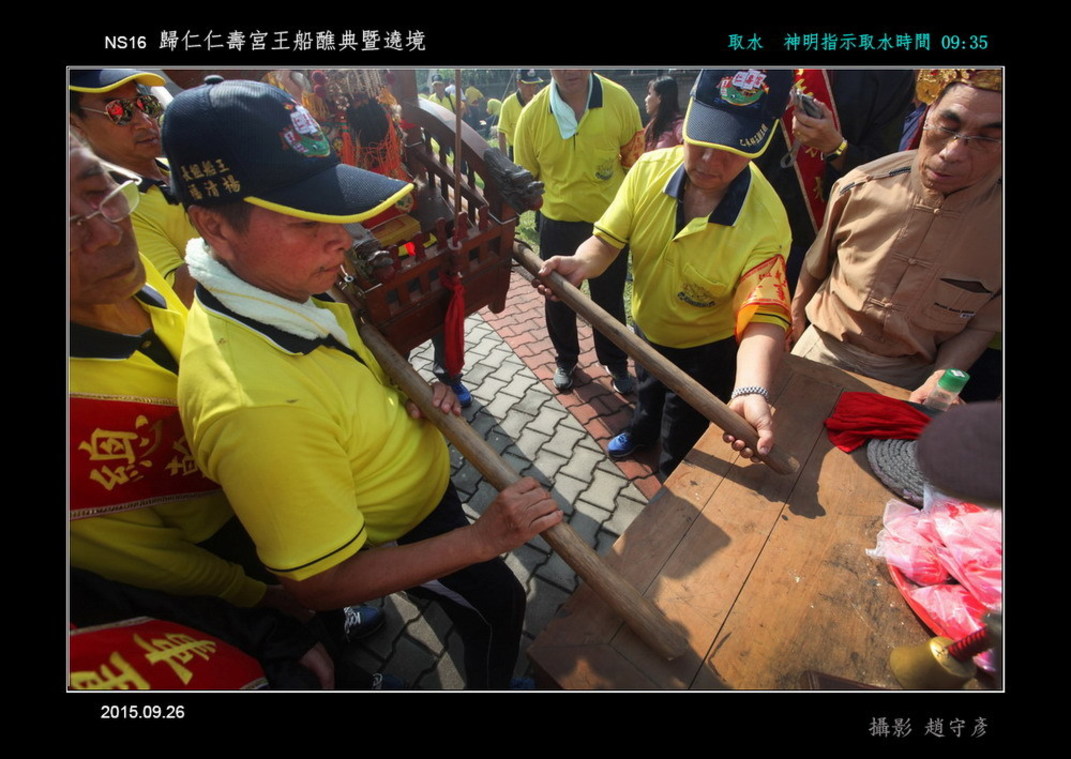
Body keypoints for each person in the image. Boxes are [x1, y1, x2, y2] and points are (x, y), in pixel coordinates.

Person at [166, 79, 562, 690]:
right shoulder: (257, 407)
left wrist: (400, 396)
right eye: (306, 220)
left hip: (416, 489)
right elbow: (320, 583)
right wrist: (484, 539)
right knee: (498, 602)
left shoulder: (282, 288)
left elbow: (347, 374)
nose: (344, 237)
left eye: (336, 209)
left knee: (495, 600)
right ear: (215, 227)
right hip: (395, 534)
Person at [67, 134, 383, 682]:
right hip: (220, 573)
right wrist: (255, 595)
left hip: (267, 498)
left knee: (325, 614)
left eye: (99, 192)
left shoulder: (131, 278)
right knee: (309, 648)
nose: (106, 232)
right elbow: (144, 558)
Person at [538, 69, 793, 480]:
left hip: (706, 351)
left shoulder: (767, 221)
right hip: (647, 331)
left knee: (682, 433)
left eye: (730, 149)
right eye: (703, 140)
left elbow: (763, 315)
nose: (708, 161)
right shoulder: (648, 170)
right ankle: (641, 432)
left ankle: (669, 479)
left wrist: (750, 387)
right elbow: (606, 241)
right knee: (647, 395)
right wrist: (581, 263)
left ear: (758, 145)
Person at [789, 69, 1002, 403]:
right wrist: (792, 329)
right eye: (947, 127)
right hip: (819, 352)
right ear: (929, 114)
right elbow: (814, 268)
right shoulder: (862, 184)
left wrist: (940, 381)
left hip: (912, 383)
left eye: (986, 139)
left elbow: (983, 323)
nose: (952, 152)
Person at [514, 69, 644, 394]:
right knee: (558, 297)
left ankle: (615, 361)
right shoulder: (532, 115)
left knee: (609, 298)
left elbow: (635, 163)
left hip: (609, 226)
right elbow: (526, 178)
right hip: (556, 223)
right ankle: (566, 359)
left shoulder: (619, 100)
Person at [753, 70, 915, 295]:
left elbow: (882, 168)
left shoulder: (892, 75)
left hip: (819, 234)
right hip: (745, 209)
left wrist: (836, 148)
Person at [70, 69, 200, 306]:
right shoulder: (113, 209)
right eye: (119, 111)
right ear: (75, 124)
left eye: (145, 104)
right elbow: (180, 295)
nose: (144, 121)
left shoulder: (178, 167)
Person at [497, 69, 543, 159]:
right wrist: (504, 160)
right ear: (519, 84)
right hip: (516, 152)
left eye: (534, 85)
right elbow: (501, 133)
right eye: (528, 85)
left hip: (537, 151)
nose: (532, 89)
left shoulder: (539, 102)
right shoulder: (508, 104)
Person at [643, 75, 684, 152]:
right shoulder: (651, 126)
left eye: (649, 94)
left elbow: (692, 148)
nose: (646, 99)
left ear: (660, 98)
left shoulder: (678, 125)